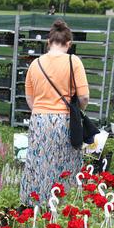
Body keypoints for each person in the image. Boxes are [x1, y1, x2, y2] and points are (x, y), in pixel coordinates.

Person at [20, 19, 89, 205]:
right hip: (64, 120)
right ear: (69, 44)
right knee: (66, 163)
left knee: (39, 162)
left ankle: (36, 203)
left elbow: (29, 99)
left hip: (39, 120)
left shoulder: (35, 64)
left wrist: (42, 112)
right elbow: (84, 97)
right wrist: (78, 111)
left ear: (48, 42)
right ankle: (63, 203)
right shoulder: (73, 61)